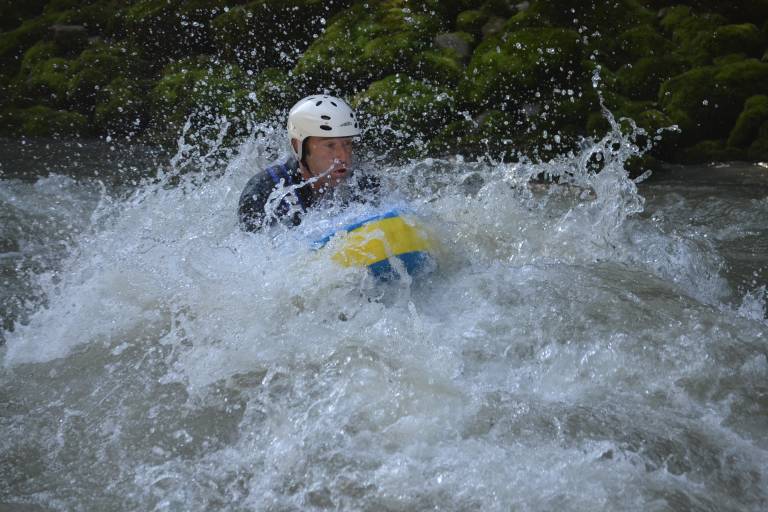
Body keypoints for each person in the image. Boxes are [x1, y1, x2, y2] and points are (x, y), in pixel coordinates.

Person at [238, 94, 377, 232]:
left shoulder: (364, 185)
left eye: (347, 143)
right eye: (330, 145)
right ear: (298, 146)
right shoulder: (263, 194)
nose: (343, 156)